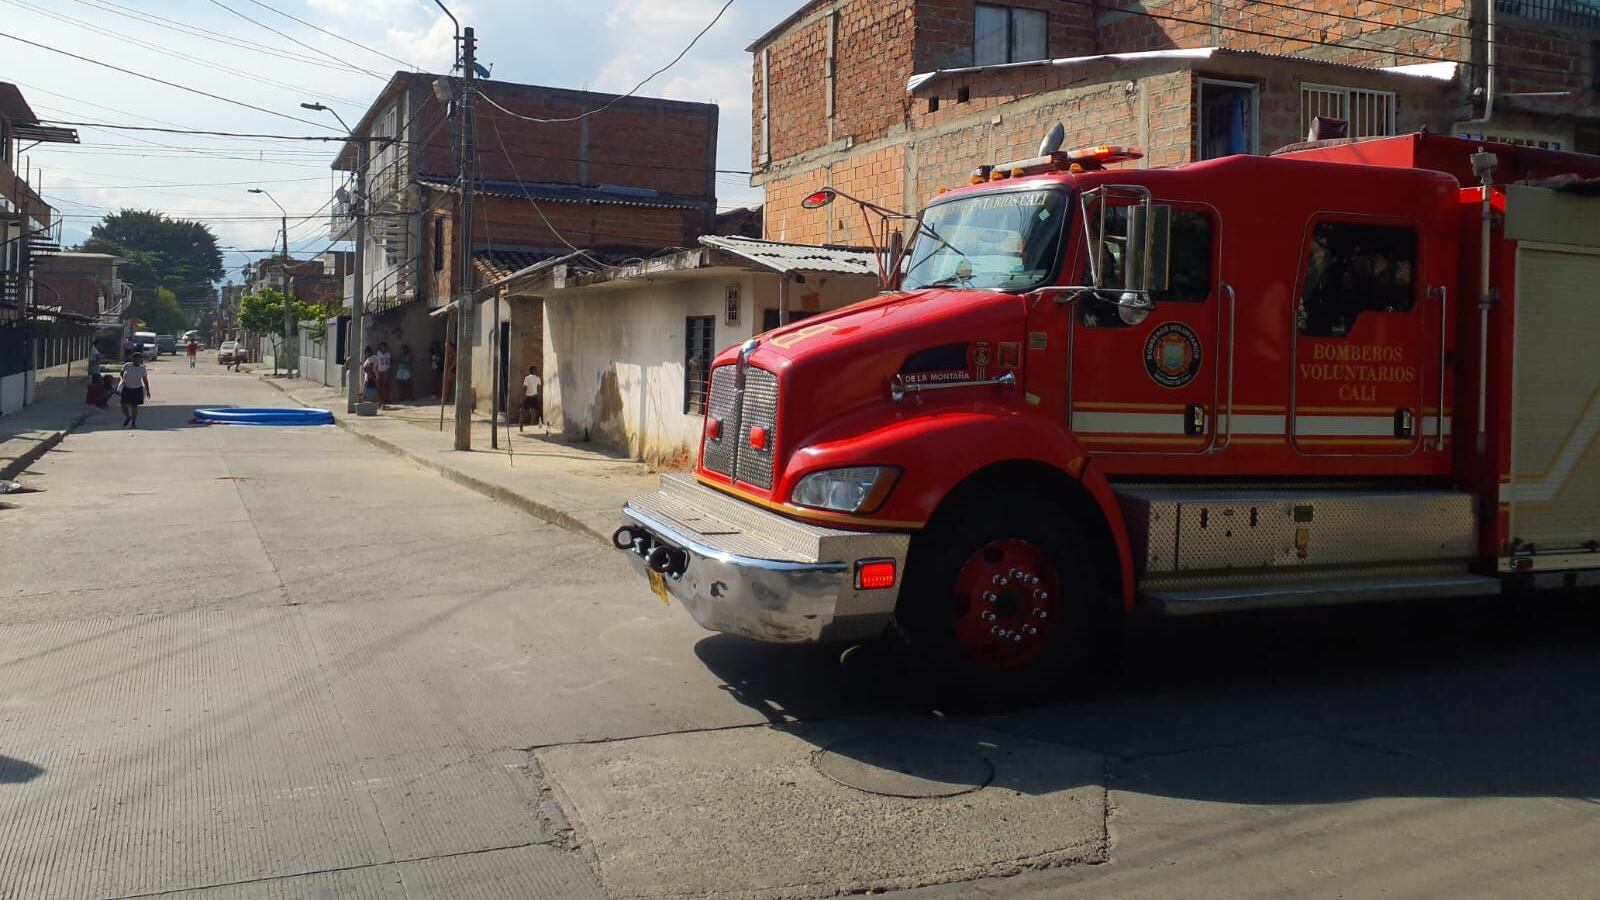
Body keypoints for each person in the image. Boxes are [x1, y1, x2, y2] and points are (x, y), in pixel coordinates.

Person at [119, 352, 151, 428]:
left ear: (140, 360)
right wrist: (122, 380)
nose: (136, 360)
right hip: (127, 387)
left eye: (138, 359)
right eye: (135, 359)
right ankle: (128, 416)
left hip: (137, 388)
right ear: (132, 359)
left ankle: (133, 423)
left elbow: (145, 379)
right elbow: (121, 374)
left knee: (134, 406)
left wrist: (148, 390)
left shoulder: (142, 368)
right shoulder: (127, 365)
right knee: (123, 404)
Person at [519, 366, 542, 431]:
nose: (537, 371)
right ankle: (532, 424)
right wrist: (538, 396)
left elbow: (524, 388)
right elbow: (539, 388)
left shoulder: (527, 378)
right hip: (534, 396)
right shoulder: (538, 378)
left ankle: (521, 424)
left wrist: (522, 396)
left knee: (522, 411)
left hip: (528, 396)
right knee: (534, 411)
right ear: (534, 371)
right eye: (536, 370)